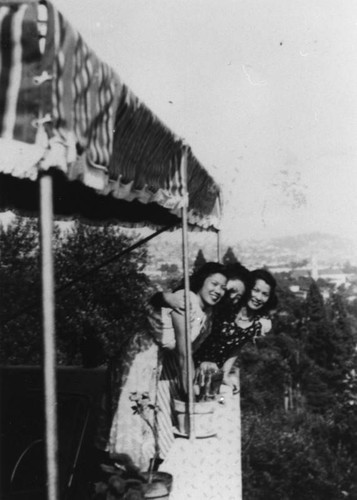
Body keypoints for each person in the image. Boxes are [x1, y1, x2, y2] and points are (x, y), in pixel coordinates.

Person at [106, 262, 228, 470]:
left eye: (223, 288)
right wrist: (190, 392)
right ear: (201, 281)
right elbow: (183, 352)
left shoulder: (204, 310)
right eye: (214, 284)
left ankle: (143, 471)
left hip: (159, 361)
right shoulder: (187, 301)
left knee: (152, 415)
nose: (218, 291)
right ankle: (129, 475)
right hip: (141, 358)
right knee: (136, 415)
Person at [193, 268, 278, 391]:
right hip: (191, 363)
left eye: (265, 294)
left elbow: (236, 348)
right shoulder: (228, 306)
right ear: (248, 289)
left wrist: (225, 374)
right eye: (256, 290)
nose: (259, 298)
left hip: (212, 373)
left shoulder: (258, 323)